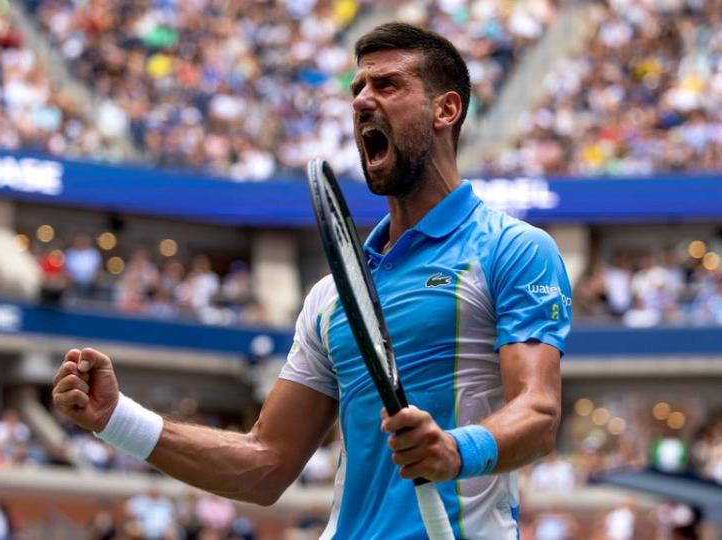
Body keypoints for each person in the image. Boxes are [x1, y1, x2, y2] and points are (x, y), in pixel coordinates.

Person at [52, 22, 571, 539]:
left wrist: (456, 450)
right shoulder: (331, 295)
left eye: (387, 85)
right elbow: (266, 462)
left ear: (446, 109)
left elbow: (538, 413)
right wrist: (115, 418)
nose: (363, 101)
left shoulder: (514, 250)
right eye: (358, 89)